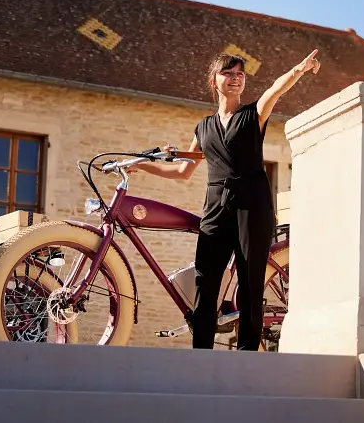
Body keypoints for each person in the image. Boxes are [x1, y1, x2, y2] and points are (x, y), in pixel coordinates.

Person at [135, 49, 321, 350]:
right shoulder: (203, 127)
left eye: (240, 75)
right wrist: (141, 164)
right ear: (214, 80)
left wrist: (299, 68)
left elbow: (276, 88)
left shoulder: (254, 113)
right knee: (205, 282)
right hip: (216, 207)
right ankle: (202, 354)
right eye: (228, 73)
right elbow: (183, 171)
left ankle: (248, 356)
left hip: (253, 206)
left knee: (250, 282)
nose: (235, 79)